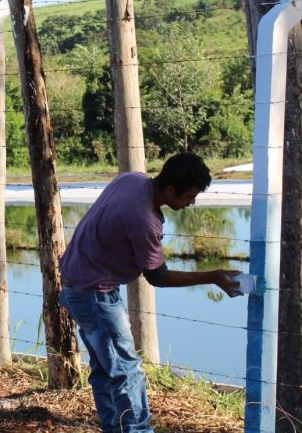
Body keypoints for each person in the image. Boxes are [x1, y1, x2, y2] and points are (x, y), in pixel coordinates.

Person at [60, 152, 241, 433]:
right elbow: (158, 276)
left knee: (105, 367)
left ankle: (115, 427)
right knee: (127, 370)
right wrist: (213, 276)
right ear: (170, 190)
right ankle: (137, 429)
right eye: (189, 196)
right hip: (95, 293)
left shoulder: (132, 180)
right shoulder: (144, 220)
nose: (191, 203)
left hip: (76, 283)